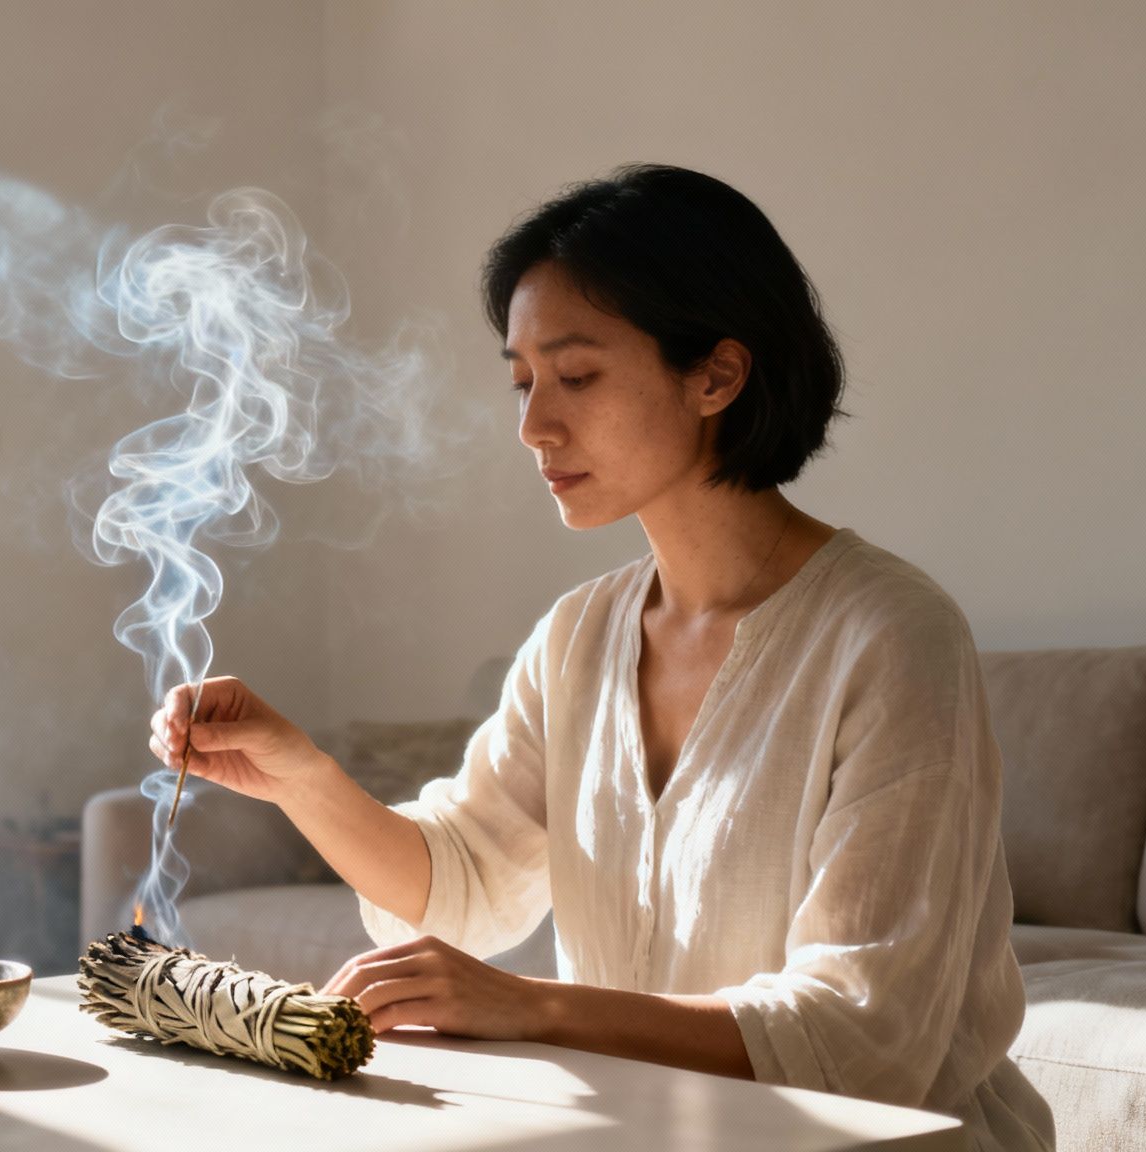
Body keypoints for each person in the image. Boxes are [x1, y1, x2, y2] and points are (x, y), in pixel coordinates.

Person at [147, 164, 1056, 1151]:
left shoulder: (889, 635)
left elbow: (860, 1037)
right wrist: (299, 776)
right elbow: (462, 884)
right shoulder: (578, 635)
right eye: (521, 381)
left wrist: (534, 1007)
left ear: (715, 376)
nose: (533, 426)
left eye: (575, 376)